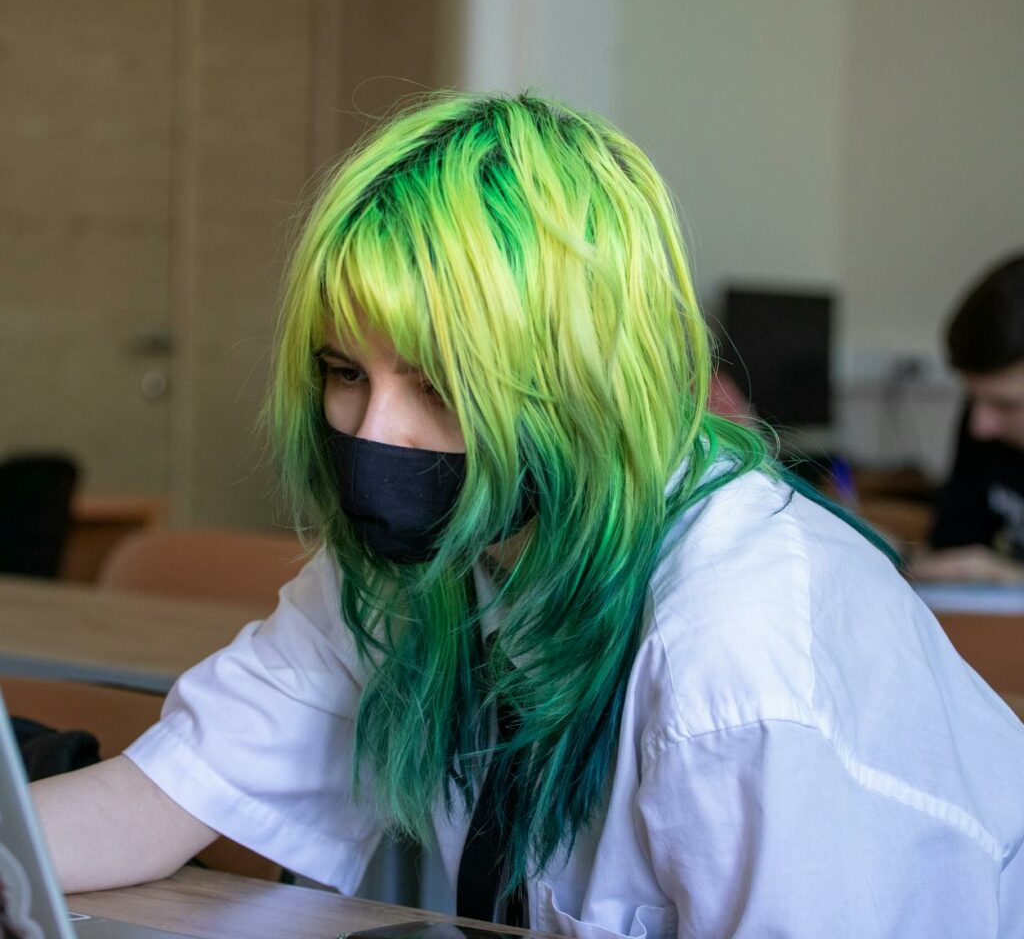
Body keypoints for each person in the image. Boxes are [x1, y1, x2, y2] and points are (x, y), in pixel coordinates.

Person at [32, 95, 1024, 936]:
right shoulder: (417, 567)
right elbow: (158, 798)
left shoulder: (743, 653)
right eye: (344, 373)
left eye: (439, 382)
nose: (378, 432)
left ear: (582, 379)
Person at [914, 252, 1024, 583]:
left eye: (1005, 405)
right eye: (972, 396)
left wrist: (1011, 577)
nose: (980, 425)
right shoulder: (983, 425)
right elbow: (950, 546)